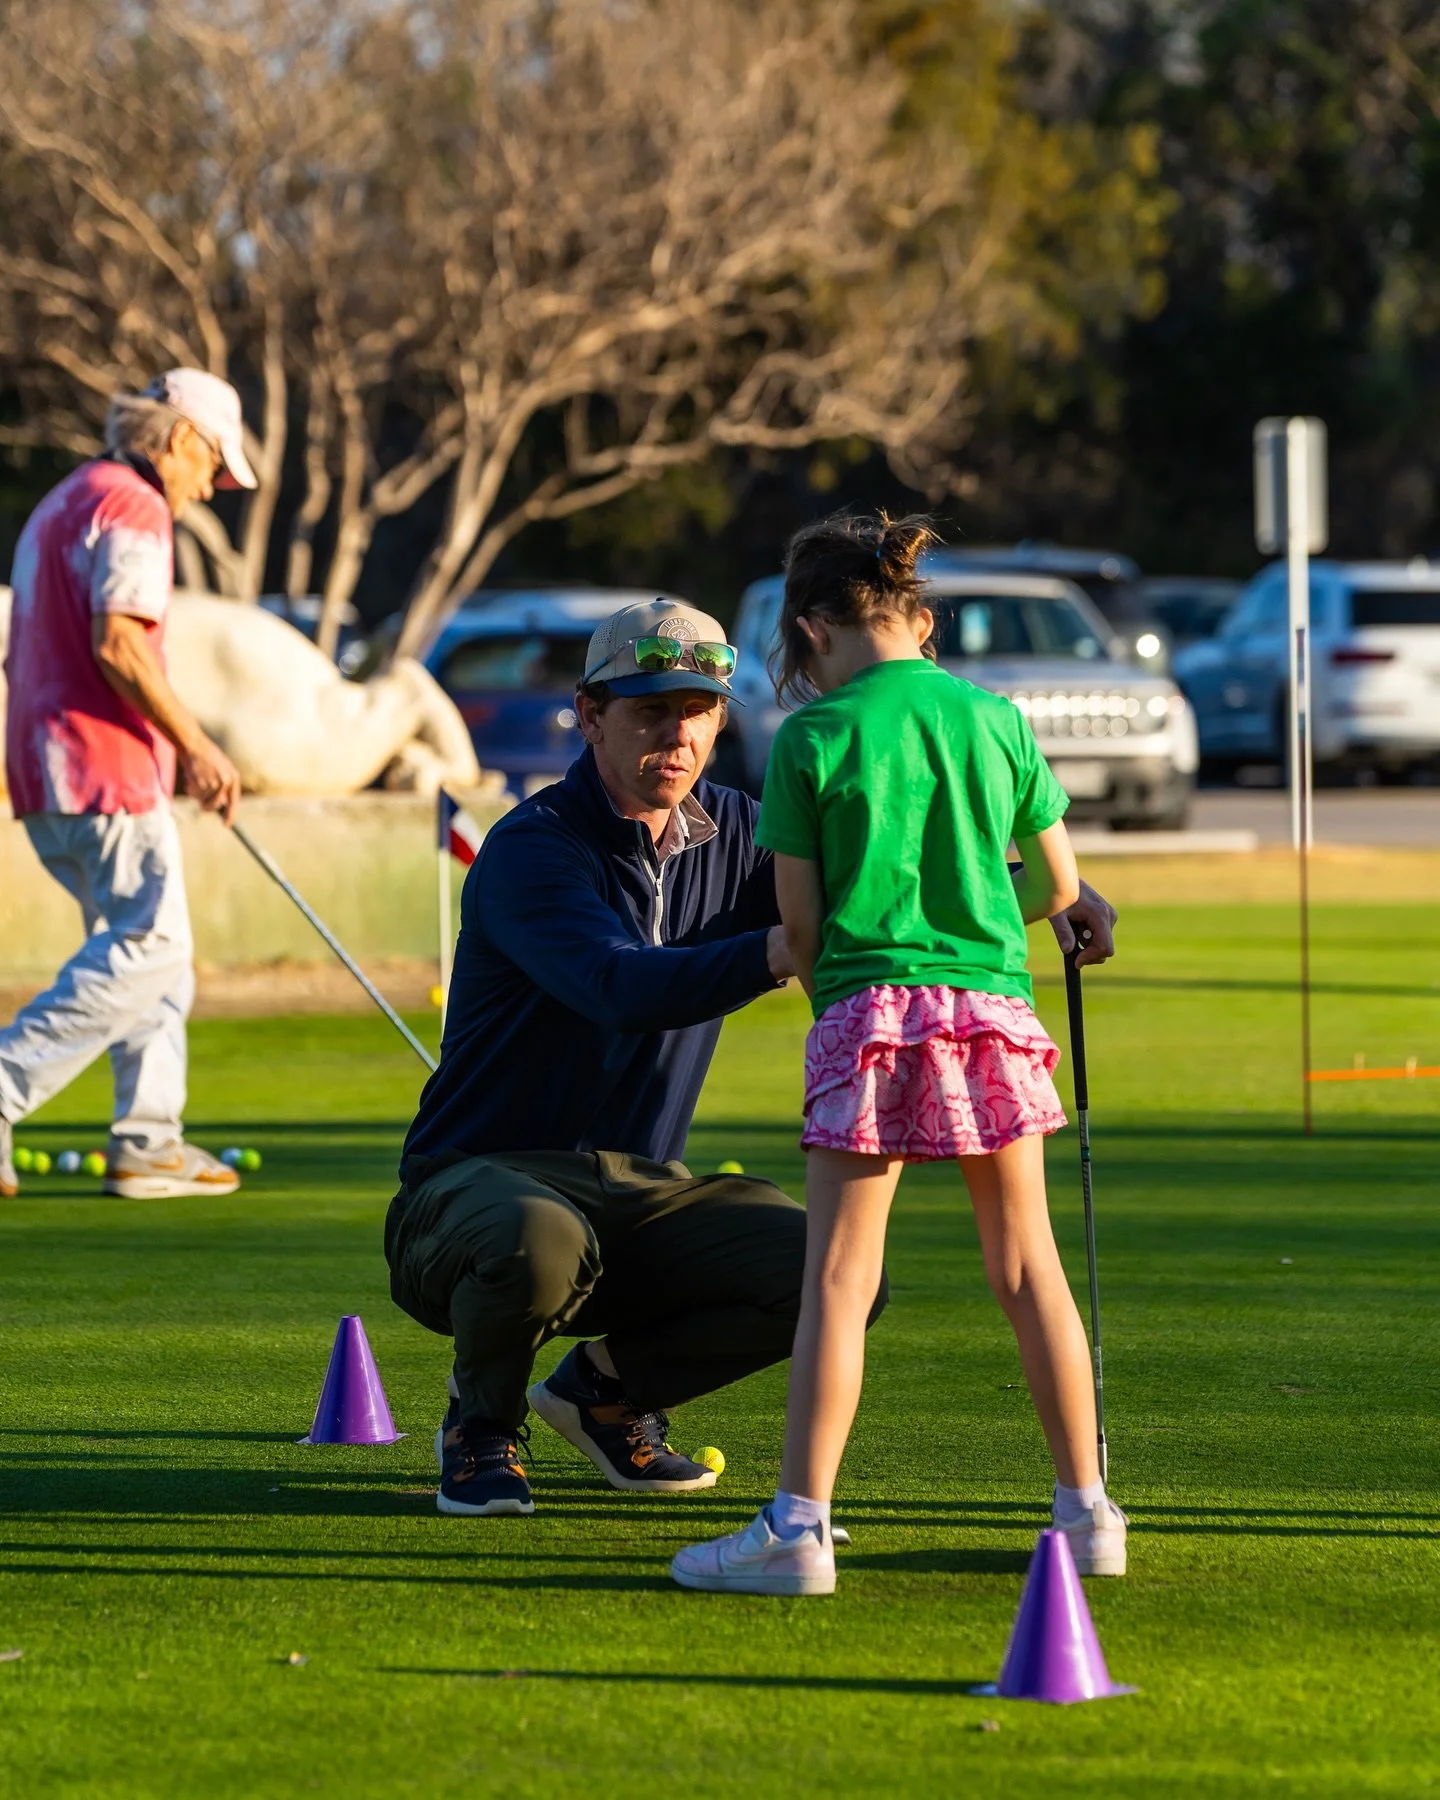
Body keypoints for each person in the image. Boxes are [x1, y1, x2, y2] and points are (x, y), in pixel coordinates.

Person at [385, 593, 1119, 1519]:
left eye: (697, 711)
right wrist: (779, 948)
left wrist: (1057, 891)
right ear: (591, 712)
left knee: (826, 1273)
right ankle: (482, 1428)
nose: (677, 733)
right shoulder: (533, 849)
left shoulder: (739, 830)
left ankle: (603, 1396)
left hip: (641, 1191)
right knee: (538, 1239)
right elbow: (619, 987)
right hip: (470, 1190)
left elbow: (886, 895)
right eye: (650, 708)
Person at [671, 513, 1127, 1598]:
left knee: (838, 1274)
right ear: (919, 620)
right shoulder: (994, 718)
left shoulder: (812, 739)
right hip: (991, 1013)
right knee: (1027, 1266)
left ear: (812, 625)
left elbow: (806, 929)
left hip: (869, 1012)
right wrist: (989, 916)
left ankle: (800, 1529)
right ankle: (1087, 1510)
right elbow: (1059, 889)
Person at [0, 369, 252, 1201]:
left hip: (45, 771)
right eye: (214, 466)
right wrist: (201, 747)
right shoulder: (136, 507)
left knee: (146, 954)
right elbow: (120, 645)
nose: (211, 490)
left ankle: (149, 1140)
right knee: (154, 947)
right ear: (179, 438)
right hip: (103, 766)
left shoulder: (65, 497)